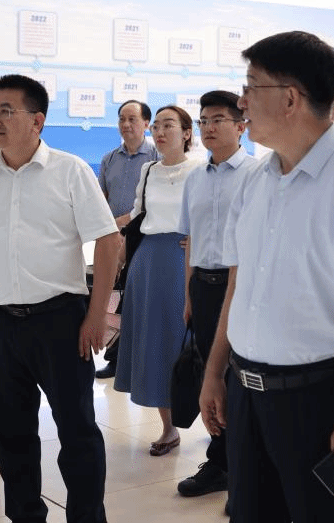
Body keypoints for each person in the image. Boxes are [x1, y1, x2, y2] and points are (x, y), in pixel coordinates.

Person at [198, 31, 334, 523]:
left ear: (289, 98)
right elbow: (239, 285)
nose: (241, 100)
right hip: (248, 397)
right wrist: (216, 371)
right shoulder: (256, 180)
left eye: (251, 87)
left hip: (320, 403)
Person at [0, 74, 120, 523]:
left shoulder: (70, 171)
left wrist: (96, 315)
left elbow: (108, 241)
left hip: (59, 320)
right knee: (10, 431)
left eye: (7, 110)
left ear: (37, 120)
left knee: (77, 431)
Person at [174, 90, 254, 499]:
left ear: (241, 127)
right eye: (203, 120)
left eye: (218, 119)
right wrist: (189, 295)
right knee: (213, 375)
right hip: (204, 288)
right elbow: (191, 240)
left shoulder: (258, 175)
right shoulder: (194, 179)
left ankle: (246, 470)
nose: (208, 127)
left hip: (243, 288)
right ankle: (220, 462)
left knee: (243, 380)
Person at [113, 105, 200, 455]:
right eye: (158, 126)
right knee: (155, 343)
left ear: (187, 133)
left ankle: (216, 422)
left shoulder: (200, 170)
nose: (160, 132)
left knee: (186, 342)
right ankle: (168, 428)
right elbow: (137, 216)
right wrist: (118, 256)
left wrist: (201, 240)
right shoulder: (148, 170)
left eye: (169, 125)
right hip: (148, 262)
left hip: (183, 261)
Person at [95, 100, 159, 379]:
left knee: (138, 301)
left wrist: (121, 223)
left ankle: (143, 359)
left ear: (146, 123)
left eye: (132, 119)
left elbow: (152, 204)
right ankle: (117, 359)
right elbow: (101, 199)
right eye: (122, 118)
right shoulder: (109, 159)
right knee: (116, 299)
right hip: (113, 239)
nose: (126, 124)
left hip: (143, 239)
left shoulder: (156, 157)